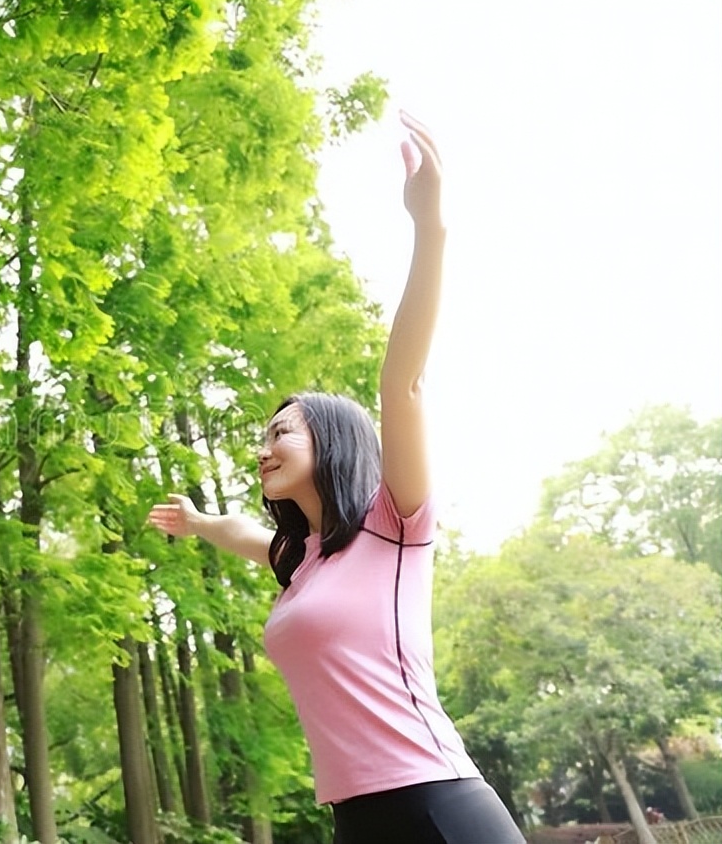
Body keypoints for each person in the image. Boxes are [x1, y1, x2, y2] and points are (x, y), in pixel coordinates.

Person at [147, 111, 524, 844]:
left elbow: (402, 384)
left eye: (281, 432)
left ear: (333, 440)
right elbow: (242, 532)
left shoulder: (394, 525)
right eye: (262, 437)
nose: (264, 448)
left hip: (437, 802)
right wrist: (196, 523)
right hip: (356, 819)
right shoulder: (302, 559)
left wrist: (429, 227)